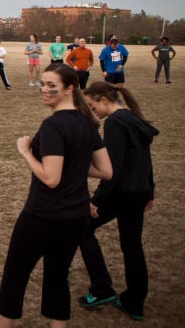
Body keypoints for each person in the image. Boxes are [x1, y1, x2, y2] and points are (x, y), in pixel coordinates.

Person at [0, 64, 112, 328]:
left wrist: (25, 151)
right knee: (58, 277)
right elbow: (105, 170)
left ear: (70, 88)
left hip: (44, 216)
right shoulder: (87, 121)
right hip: (76, 217)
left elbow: (51, 177)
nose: (44, 90)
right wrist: (74, 165)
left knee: (15, 275)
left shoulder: (53, 125)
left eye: (51, 85)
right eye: (42, 84)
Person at [77, 82, 158, 321]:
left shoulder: (115, 123)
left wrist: (97, 200)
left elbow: (112, 168)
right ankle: (134, 302)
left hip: (121, 193)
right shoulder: (133, 118)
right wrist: (149, 190)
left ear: (103, 99)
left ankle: (101, 289)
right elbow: (145, 160)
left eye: (92, 106)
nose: (93, 112)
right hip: (138, 191)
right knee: (132, 247)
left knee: (83, 228)